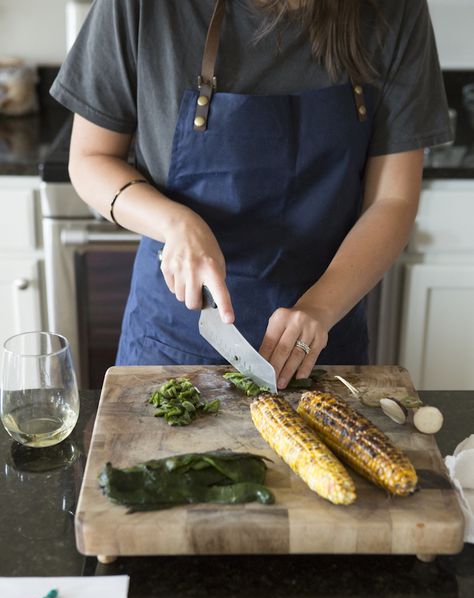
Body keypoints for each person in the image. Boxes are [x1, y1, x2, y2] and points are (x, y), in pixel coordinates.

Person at [50, 0, 452, 389]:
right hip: (172, 345)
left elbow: (393, 199)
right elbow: (89, 159)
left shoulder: (395, 9)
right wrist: (177, 223)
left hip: (319, 343)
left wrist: (320, 307)